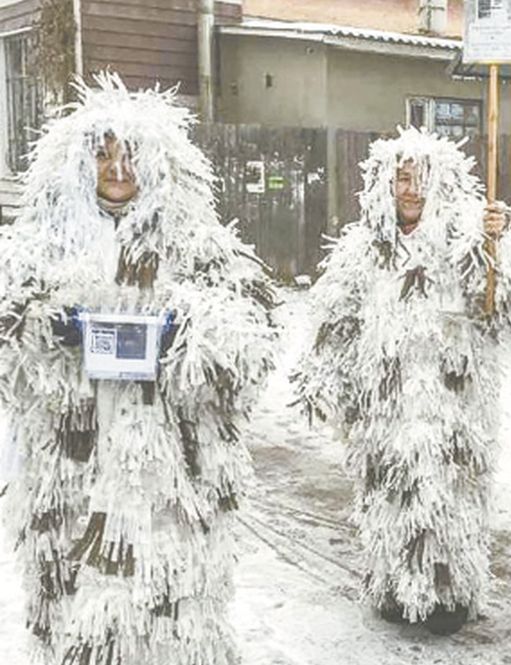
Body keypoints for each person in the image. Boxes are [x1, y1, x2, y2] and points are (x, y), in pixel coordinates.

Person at [0, 73, 276, 664]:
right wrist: (47, 328)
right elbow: (8, 328)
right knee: (72, 587)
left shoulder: (198, 243)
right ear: (81, 164)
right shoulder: (40, 244)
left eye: (131, 155)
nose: (118, 168)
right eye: (103, 154)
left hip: (167, 463)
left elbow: (253, 333)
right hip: (69, 461)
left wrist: (188, 333)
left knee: (167, 593)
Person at [292, 127, 511, 635]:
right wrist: (325, 378)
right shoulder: (361, 252)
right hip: (384, 409)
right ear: (383, 187)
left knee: (449, 501)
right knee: (387, 496)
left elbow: (502, 308)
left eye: (423, 180)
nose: (412, 190)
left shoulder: (466, 246)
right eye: (403, 180)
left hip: (453, 407)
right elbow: (338, 321)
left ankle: (450, 594)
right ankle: (392, 588)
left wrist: (495, 246)